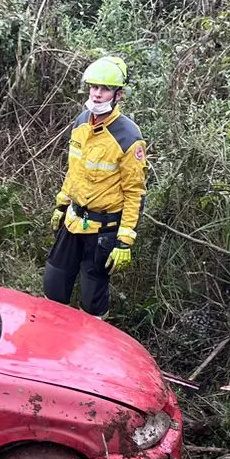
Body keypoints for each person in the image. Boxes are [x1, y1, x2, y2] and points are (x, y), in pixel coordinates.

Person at [44, 55, 147, 317]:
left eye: (105, 89)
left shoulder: (128, 136)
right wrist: (61, 204)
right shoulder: (81, 123)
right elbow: (74, 170)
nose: (97, 94)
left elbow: (135, 193)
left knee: (92, 302)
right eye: (94, 87)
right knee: (54, 286)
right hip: (72, 220)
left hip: (103, 230)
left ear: (118, 95)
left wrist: (125, 241)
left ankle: (91, 350)